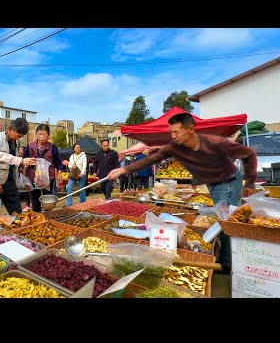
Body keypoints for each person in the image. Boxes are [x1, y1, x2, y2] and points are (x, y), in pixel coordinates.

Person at [107, 112, 258, 274]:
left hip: (228, 181)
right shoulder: (175, 146)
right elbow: (152, 159)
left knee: (226, 221)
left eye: (176, 132)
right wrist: (124, 169)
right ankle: (226, 256)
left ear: (191, 129)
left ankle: (227, 263)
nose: (173, 136)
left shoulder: (214, 143)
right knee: (220, 219)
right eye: (171, 132)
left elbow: (249, 154)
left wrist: (250, 182)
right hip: (213, 183)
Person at [23, 124, 63, 212]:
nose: (42, 136)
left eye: (44, 134)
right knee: (35, 200)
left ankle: (48, 218)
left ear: (48, 135)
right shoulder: (29, 147)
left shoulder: (53, 147)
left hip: (48, 178)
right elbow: (23, 160)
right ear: (36, 134)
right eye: (39, 134)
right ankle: (37, 218)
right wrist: (27, 163)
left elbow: (58, 163)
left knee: (47, 200)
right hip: (33, 178)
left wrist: (59, 174)